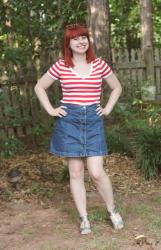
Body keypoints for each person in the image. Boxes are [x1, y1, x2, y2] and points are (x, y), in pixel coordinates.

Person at [34, 23, 124, 235]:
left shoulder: (99, 64)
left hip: (93, 119)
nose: (81, 41)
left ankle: (112, 210)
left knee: (96, 172)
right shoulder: (61, 66)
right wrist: (51, 110)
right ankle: (84, 218)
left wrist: (107, 108)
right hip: (69, 121)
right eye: (75, 38)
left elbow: (117, 87)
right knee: (75, 172)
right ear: (69, 43)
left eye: (84, 37)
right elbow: (40, 86)